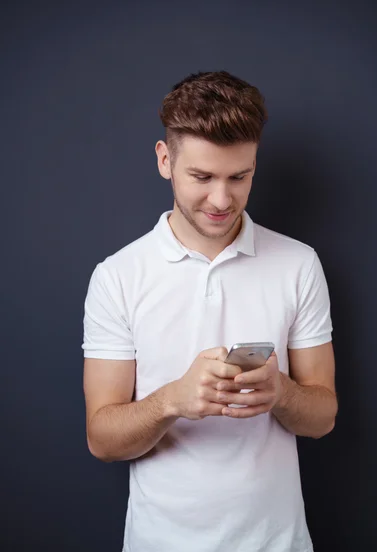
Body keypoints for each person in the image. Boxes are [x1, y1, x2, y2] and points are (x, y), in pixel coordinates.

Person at [82, 70, 338, 552]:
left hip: (278, 543)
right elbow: (102, 439)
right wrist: (171, 401)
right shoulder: (117, 276)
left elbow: (322, 416)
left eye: (239, 177)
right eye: (202, 177)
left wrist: (280, 391)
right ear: (165, 161)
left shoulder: (299, 264)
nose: (222, 200)